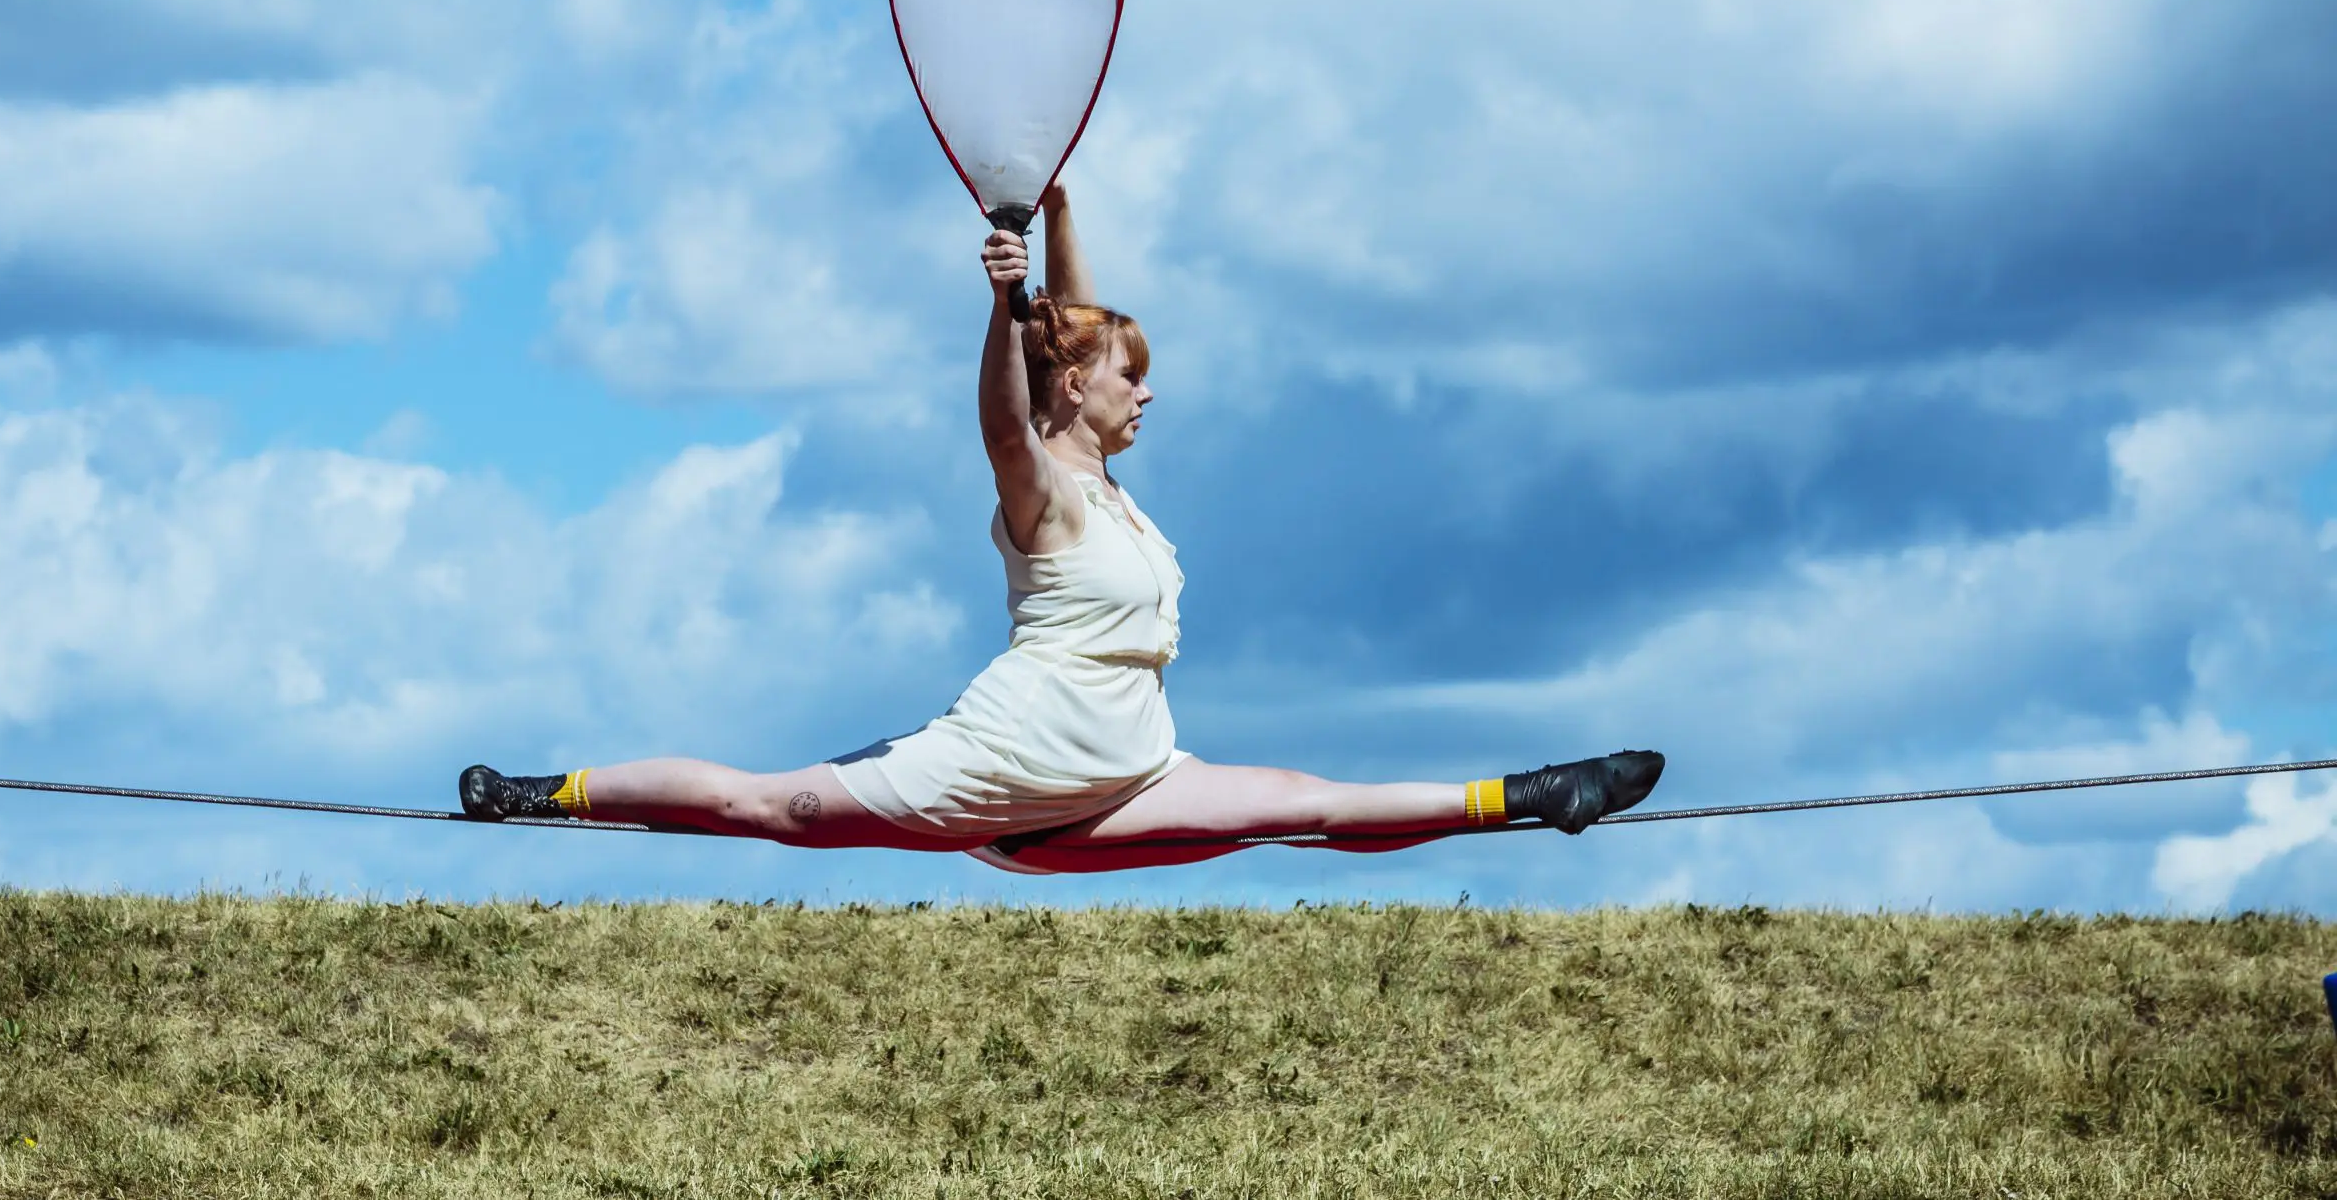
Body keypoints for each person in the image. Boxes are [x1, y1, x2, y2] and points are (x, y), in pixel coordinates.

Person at [461, 182, 1663, 872]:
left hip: (1123, 771)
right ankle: (544, 792)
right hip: (1003, 767)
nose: (1146, 393)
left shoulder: (1123, 498)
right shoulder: (1042, 487)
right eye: (1129, 378)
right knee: (775, 810)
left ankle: (1530, 794)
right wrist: (998, 304)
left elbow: (1074, 341)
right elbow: (1008, 409)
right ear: (1077, 392)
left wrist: (1066, 214)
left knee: (1299, 803)